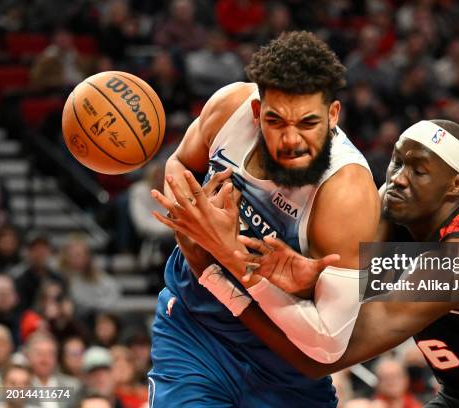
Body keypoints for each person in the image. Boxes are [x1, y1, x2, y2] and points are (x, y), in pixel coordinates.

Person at [169, 119, 459, 407]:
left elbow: (320, 357)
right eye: (397, 161)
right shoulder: (398, 209)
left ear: (456, 187)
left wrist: (218, 273)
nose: (399, 178)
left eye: (419, 170)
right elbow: (332, 300)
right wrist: (298, 275)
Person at [148, 31, 379, 407]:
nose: (291, 140)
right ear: (257, 111)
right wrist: (194, 209)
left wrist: (227, 256)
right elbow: (180, 162)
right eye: (276, 121)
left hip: (285, 365)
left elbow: (326, 347)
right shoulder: (230, 108)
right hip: (195, 331)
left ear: (333, 115)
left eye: (308, 123)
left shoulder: (346, 192)